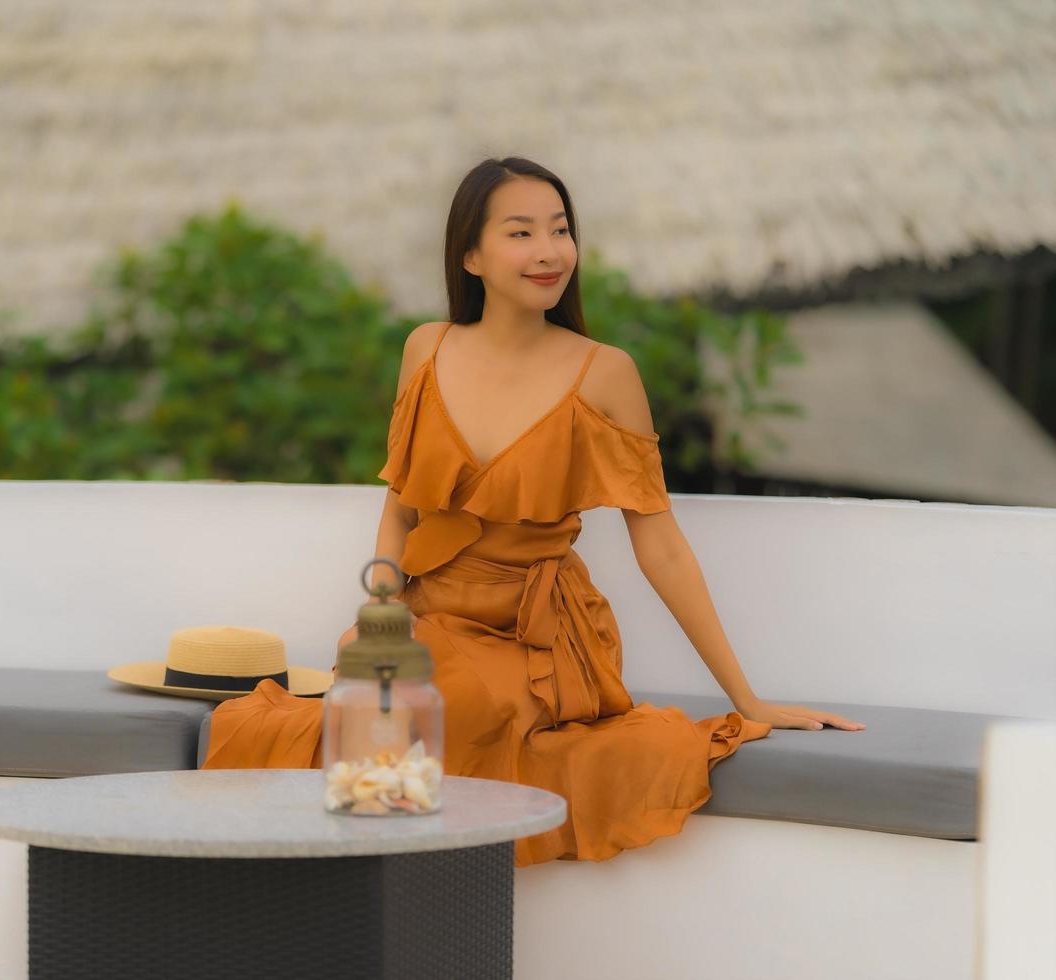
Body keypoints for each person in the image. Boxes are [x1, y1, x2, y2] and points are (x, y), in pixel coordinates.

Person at [202, 156, 865, 867]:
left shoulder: (605, 373)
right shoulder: (425, 350)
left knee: (439, 709)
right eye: (521, 233)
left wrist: (747, 698)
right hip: (423, 619)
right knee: (301, 719)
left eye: (561, 230)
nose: (549, 251)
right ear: (471, 254)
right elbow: (401, 511)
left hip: (539, 637)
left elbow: (661, 546)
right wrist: (379, 622)